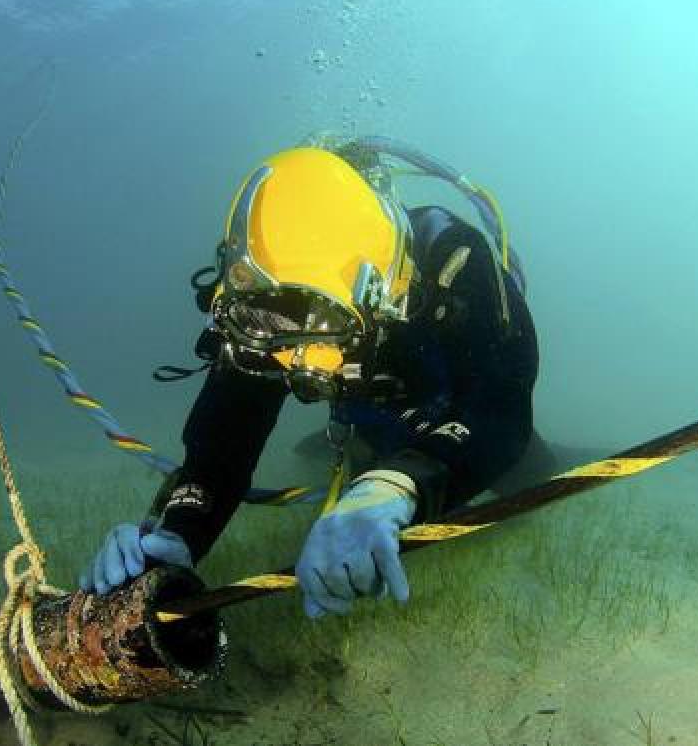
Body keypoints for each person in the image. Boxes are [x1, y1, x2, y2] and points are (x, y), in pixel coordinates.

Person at [80, 136, 544, 618]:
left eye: (320, 324)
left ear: (384, 293)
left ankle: (386, 466)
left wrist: (395, 486)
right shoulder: (267, 306)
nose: (295, 362)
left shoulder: (456, 261)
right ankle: (368, 457)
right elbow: (222, 448)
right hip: (369, 419)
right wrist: (177, 530)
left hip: (455, 412)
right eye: (266, 324)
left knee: (529, 477)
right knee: (362, 446)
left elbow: (502, 410)